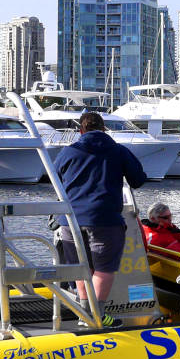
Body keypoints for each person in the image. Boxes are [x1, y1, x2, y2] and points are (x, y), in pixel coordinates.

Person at [54, 111, 147, 327]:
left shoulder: (68, 152)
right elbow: (138, 180)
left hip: (70, 219)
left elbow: (55, 179)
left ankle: (84, 315)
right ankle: (97, 316)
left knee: (80, 267)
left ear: (81, 130)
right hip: (105, 219)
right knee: (104, 268)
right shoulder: (118, 151)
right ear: (104, 129)